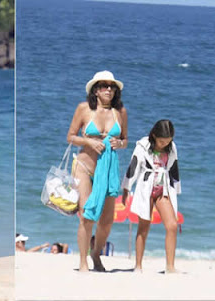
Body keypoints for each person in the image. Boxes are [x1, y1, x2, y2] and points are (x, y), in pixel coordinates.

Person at [67, 70, 128, 272]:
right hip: (85, 167)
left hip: (109, 169)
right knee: (86, 215)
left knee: (107, 220)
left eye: (111, 86)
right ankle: (83, 262)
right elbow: (70, 137)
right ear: (95, 90)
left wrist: (119, 143)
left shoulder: (120, 112)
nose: (108, 89)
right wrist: (88, 142)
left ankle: (96, 253)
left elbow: (125, 140)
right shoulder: (83, 109)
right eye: (103, 86)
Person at [121, 120, 180, 273]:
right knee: (143, 227)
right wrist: (126, 188)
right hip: (146, 187)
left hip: (164, 188)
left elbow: (174, 168)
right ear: (154, 135)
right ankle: (138, 265)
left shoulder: (172, 148)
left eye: (167, 141)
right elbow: (133, 167)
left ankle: (170, 267)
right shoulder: (143, 146)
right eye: (161, 141)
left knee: (172, 225)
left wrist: (176, 191)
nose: (163, 144)